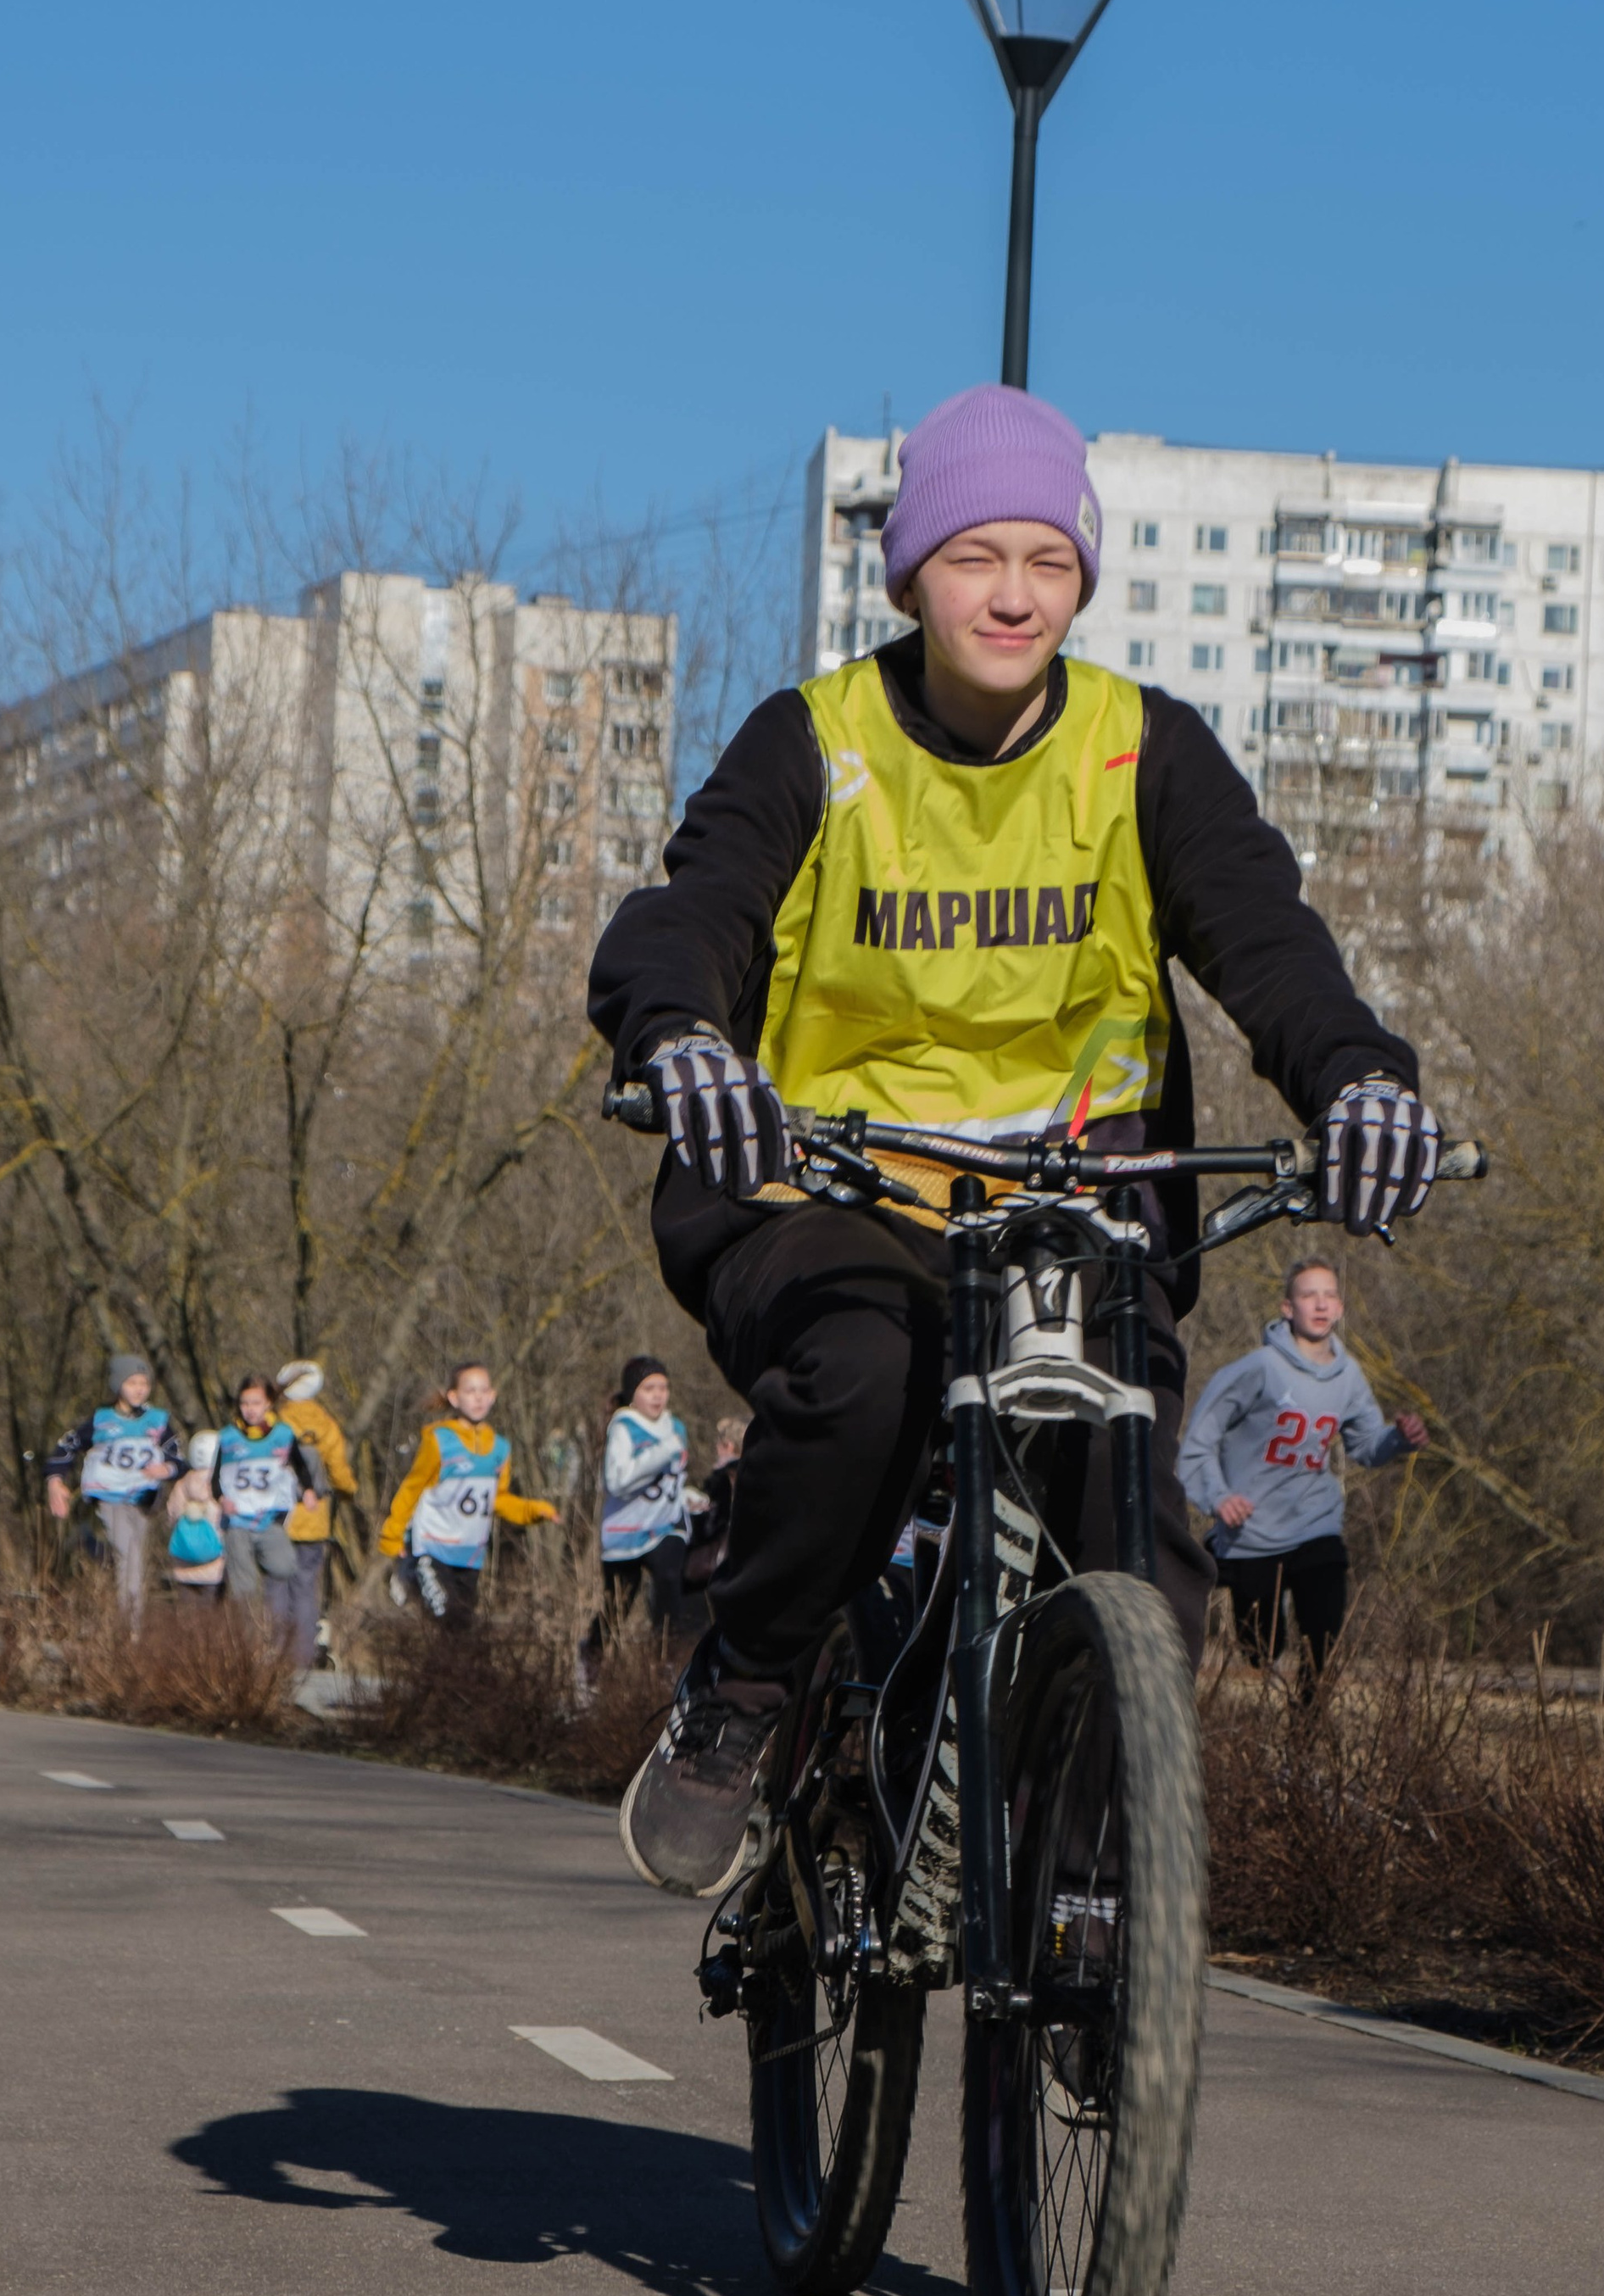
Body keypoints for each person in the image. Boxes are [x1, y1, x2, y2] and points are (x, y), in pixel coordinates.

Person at [586, 380, 1440, 1898]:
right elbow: (690, 914)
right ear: (913, 571)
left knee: (1137, 1524)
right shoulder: (817, 742)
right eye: (978, 556)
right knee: (866, 1382)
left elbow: (1265, 937)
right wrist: (682, 1035)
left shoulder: (1139, 750)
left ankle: (1089, 1900)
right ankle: (752, 1683)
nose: (1015, 593)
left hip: (1076, 1201)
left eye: (1050, 561)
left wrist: (1359, 1081)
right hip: (830, 1191)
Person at [1181, 1258, 1428, 1686]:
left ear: (1340, 1308)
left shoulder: (1348, 1376)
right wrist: (1218, 1497)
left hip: (1316, 1522)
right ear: (1287, 1308)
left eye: (1329, 1295)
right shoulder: (1256, 1369)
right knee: (1261, 1649)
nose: (1320, 1304)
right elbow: (1199, 1441)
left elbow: (1366, 1446)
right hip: (1252, 1531)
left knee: (1322, 1638)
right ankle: (1225, 1577)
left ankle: (1308, 1729)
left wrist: (1399, 1439)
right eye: (1309, 1295)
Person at [377, 1361, 558, 1630]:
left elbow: (498, 1499)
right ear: (454, 1397)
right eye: (470, 1390)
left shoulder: (500, 1448)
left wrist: (532, 1510)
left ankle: (442, 1672)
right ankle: (408, 1573)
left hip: (470, 1553)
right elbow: (412, 1488)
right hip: (432, 1547)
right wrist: (392, 1534)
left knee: (462, 1627)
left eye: (484, 1390)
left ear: (493, 1396)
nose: (478, 1397)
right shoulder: (439, 1441)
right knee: (445, 1617)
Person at [44, 1356, 182, 1620]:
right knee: (128, 1556)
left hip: (143, 1499)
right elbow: (66, 1447)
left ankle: (90, 1546)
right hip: (109, 1496)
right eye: (132, 1383)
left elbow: (178, 1458)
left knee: (133, 1559)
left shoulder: (158, 1421)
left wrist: (167, 1469)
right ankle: (130, 1627)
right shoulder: (100, 1420)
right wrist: (55, 1482)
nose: (139, 1389)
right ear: (118, 1385)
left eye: (144, 1383)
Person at [595, 1357, 701, 1639]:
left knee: (670, 1581)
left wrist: (687, 1495)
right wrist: (660, 1453)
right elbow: (616, 1482)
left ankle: (667, 1661)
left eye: (663, 1388)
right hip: (625, 1531)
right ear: (633, 1393)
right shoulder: (623, 1427)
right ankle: (591, 1657)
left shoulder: (676, 1427)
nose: (658, 1395)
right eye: (649, 1388)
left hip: (664, 1526)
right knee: (617, 1607)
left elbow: (672, 1477)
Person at [214, 1376, 320, 1630]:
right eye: (245, 1403)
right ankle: (249, 1642)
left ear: (269, 1404)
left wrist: (308, 1490)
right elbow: (214, 1478)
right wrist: (221, 1498)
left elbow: (301, 1465)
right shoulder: (228, 1437)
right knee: (246, 1588)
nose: (250, 1409)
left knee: (285, 1566)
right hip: (237, 1520)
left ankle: (255, 1560)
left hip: (269, 1518)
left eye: (256, 1403)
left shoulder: (284, 1435)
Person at [275, 1361, 359, 1670]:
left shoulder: (275, 1420)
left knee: (276, 1586)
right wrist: (349, 1491)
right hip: (314, 1519)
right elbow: (338, 1470)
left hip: (276, 1518)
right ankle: (302, 1657)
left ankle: (277, 1653)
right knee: (306, 1589)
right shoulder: (325, 1423)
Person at [682, 1414, 749, 1595]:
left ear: (728, 1446)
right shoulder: (757, 1472)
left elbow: (716, 1521)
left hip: (720, 1558)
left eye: (718, 1445)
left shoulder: (724, 1476)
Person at [164, 1429, 228, 1591]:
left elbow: (171, 1515)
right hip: (215, 1568)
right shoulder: (223, 1485)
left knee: (186, 1614)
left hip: (183, 1566)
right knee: (212, 1615)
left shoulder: (182, 1484)